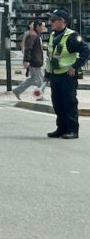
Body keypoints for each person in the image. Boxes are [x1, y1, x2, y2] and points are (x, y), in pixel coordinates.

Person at [44, 8, 89, 140]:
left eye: (53, 20)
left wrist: (75, 66)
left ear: (62, 21)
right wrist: (47, 74)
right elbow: (50, 56)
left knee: (69, 103)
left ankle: (72, 130)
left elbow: (86, 51)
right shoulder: (53, 35)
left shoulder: (72, 36)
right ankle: (61, 128)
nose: (50, 22)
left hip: (67, 75)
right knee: (57, 103)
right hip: (55, 74)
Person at [12, 20, 46, 101]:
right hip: (35, 61)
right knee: (41, 79)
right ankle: (40, 96)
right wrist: (26, 60)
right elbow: (28, 49)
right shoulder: (32, 35)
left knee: (33, 79)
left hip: (36, 61)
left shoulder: (35, 35)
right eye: (43, 26)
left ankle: (17, 90)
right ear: (37, 26)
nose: (44, 28)